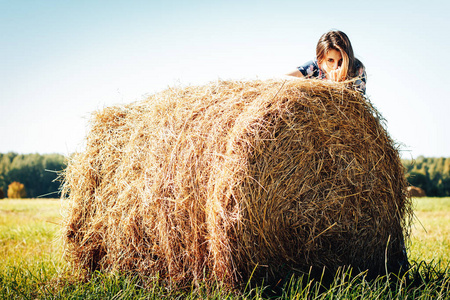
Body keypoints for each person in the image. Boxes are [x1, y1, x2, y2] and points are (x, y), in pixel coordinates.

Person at [287, 30, 367, 94]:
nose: (336, 66)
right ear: (320, 61)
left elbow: (357, 103)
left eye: (341, 60)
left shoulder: (356, 69)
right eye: (330, 60)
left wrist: (339, 86)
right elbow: (283, 79)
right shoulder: (314, 67)